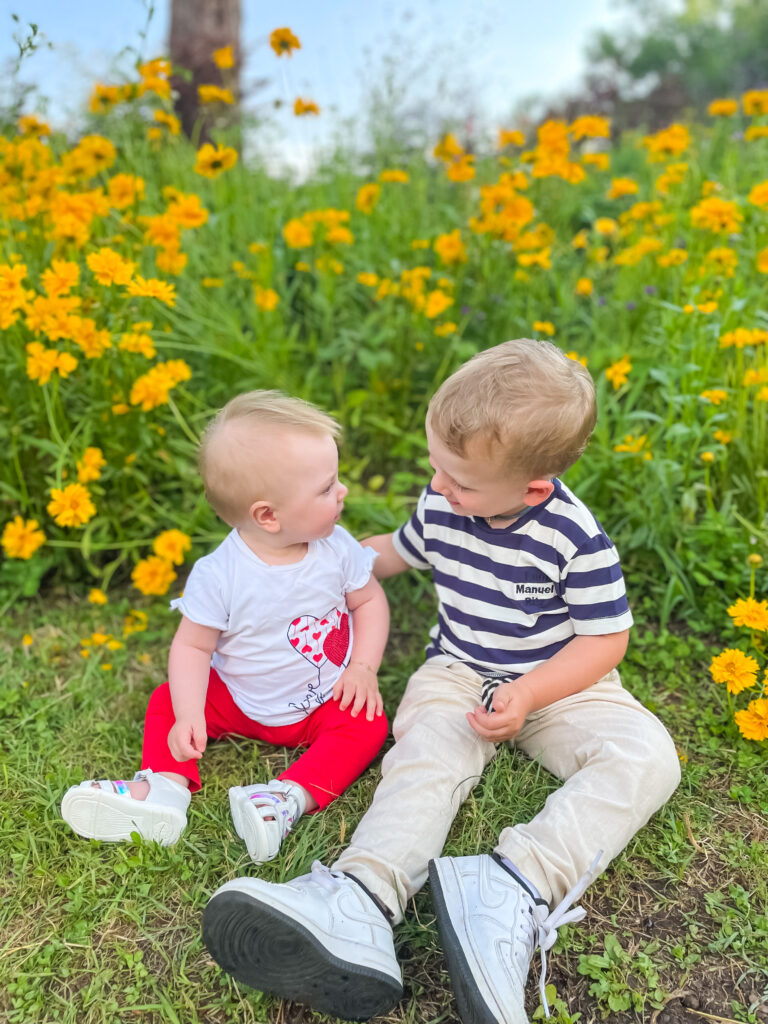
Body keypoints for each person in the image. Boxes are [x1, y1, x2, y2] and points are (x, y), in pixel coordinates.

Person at [201, 340, 681, 1023]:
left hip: (560, 683)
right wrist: (306, 574)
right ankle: (360, 897)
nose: (441, 488)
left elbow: (607, 640)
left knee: (649, 757)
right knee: (428, 752)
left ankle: (512, 885)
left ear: (533, 489)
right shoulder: (446, 499)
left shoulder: (575, 539)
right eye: (437, 468)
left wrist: (532, 693)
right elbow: (397, 551)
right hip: (458, 671)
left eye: (459, 481)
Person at [61, 391, 389, 864]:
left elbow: (370, 600)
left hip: (323, 698)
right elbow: (193, 647)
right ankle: (164, 790)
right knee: (167, 701)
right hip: (239, 699)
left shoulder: (337, 548)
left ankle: (284, 799)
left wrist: (362, 667)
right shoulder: (220, 575)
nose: (343, 492)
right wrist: (191, 713)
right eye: (326, 487)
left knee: (368, 724)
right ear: (267, 515)